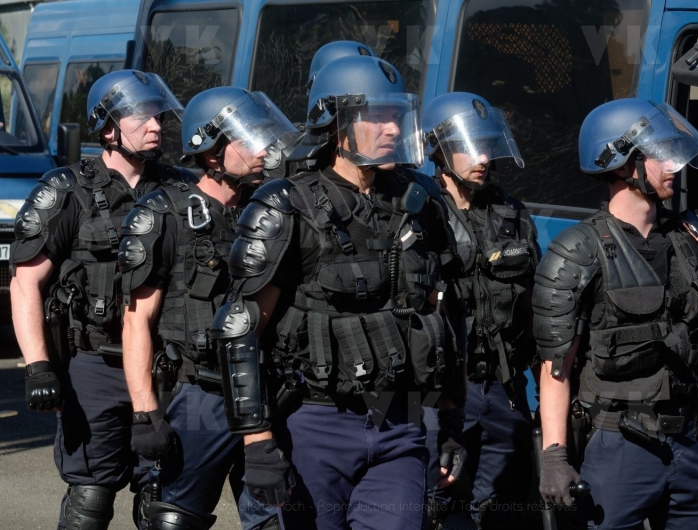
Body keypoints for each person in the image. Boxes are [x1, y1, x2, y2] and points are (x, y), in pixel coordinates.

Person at [211, 54, 465, 530]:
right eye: (376, 116)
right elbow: (239, 327)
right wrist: (256, 438)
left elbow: (445, 312)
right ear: (335, 122)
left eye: (396, 116)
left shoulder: (421, 200)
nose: (391, 128)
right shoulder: (287, 204)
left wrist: (450, 418)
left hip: (401, 423)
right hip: (315, 422)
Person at [533, 98, 698, 528]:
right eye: (660, 154)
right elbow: (558, 366)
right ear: (621, 163)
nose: (674, 164)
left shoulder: (691, 241)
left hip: (693, 440)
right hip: (619, 445)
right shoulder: (578, 250)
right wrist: (554, 456)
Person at [10, 69, 190, 530]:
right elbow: (25, 282)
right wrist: (38, 367)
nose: (157, 126)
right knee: (91, 496)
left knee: (163, 503)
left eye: (160, 116)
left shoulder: (180, 188)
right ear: (107, 126)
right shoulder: (66, 190)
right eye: (143, 116)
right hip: (95, 361)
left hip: (167, 367)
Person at [118, 86, 300, 529]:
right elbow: (136, 320)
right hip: (197, 395)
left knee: (278, 517)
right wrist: (146, 415)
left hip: (268, 394)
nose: (265, 150)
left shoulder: (277, 214)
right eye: (249, 139)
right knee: (173, 519)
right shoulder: (164, 214)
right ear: (213, 153)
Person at [421, 92, 540, 529]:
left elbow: (536, 302)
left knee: (503, 508)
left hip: (503, 386)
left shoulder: (511, 214)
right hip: (439, 391)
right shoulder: (419, 213)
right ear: (437, 148)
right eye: (470, 146)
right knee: (436, 502)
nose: (483, 157)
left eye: (488, 145)